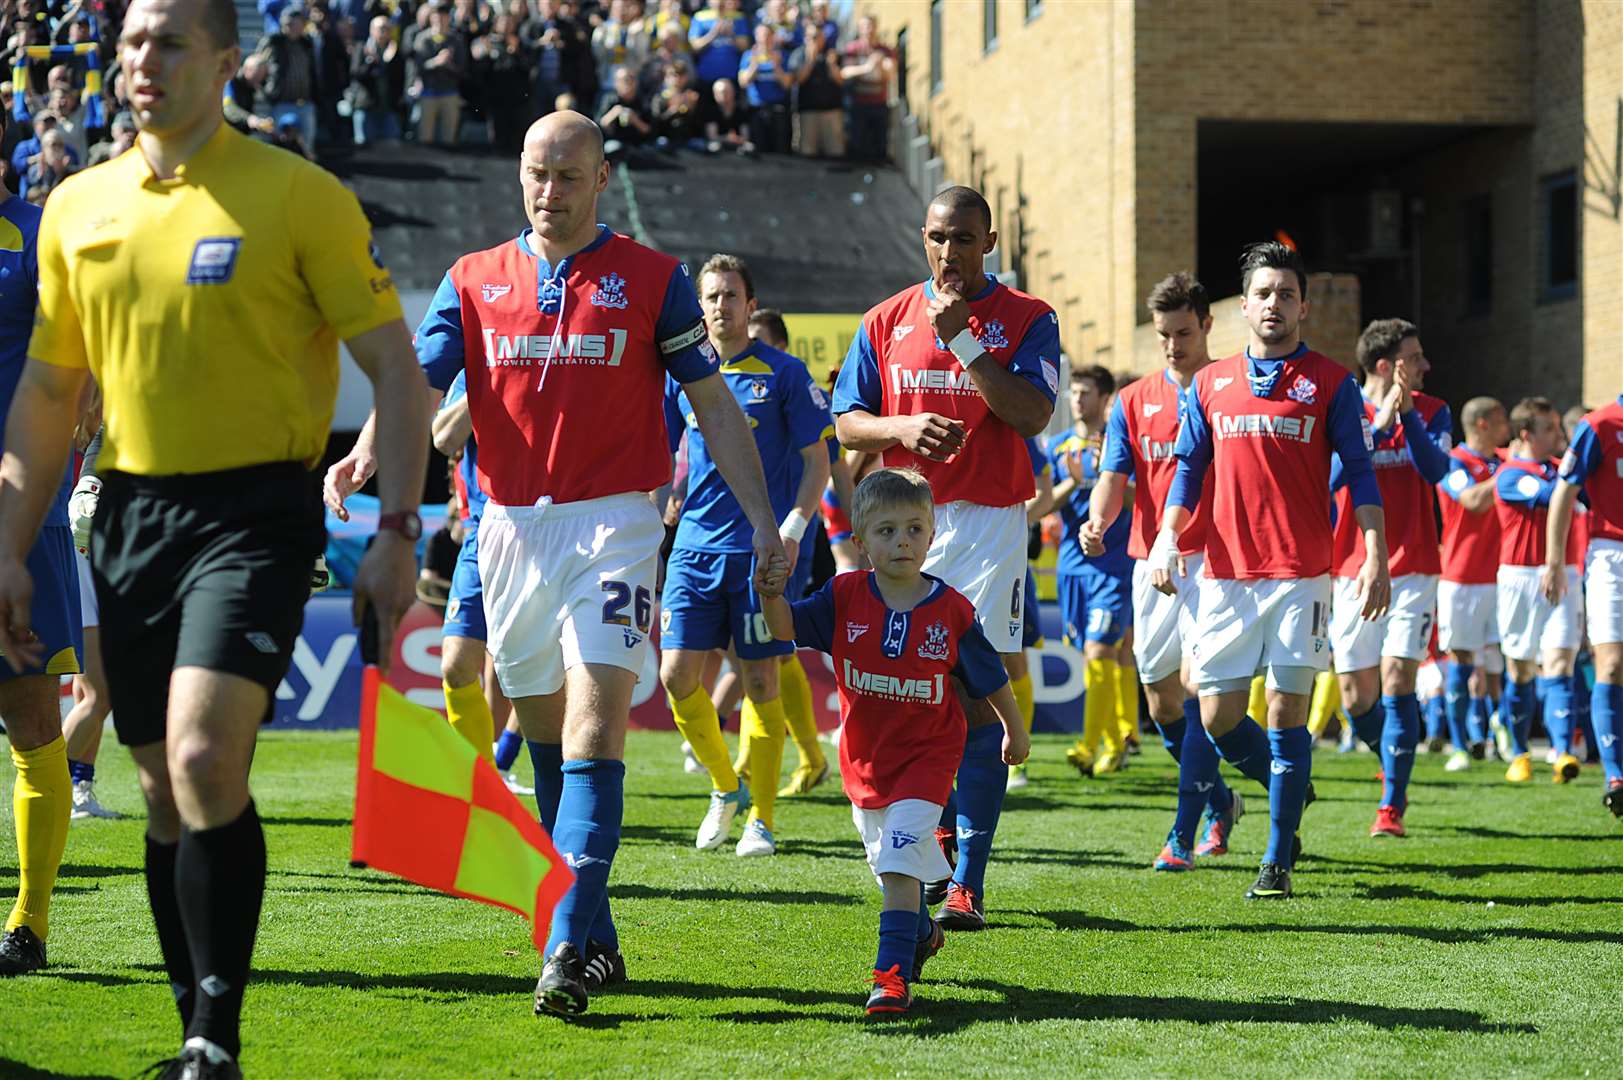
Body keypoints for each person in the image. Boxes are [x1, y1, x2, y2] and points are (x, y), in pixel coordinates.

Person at [0, 0, 431, 1069]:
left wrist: (399, 529)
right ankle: (192, 1024)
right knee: (156, 789)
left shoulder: (297, 195)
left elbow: (395, 368)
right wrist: (9, 543)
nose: (143, 59)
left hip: (256, 511)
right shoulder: (77, 207)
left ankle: (213, 1039)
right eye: (133, 40)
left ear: (228, 63)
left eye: (171, 41)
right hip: (131, 512)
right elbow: (50, 397)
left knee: (200, 757)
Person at [327, 111, 787, 1018]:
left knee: (592, 730)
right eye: (537, 174)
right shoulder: (471, 279)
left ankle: (566, 950)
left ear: (602, 178)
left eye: (568, 176)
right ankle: (596, 935)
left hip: (615, 524)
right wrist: (367, 453)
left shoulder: (652, 280)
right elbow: (417, 387)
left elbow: (714, 408)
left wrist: (764, 518)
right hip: (505, 529)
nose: (549, 192)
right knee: (545, 750)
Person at [834, 185, 1058, 932]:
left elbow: (1031, 414)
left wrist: (965, 343)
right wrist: (901, 424)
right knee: (908, 691)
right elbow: (847, 422)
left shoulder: (1028, 318)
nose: (948, 252)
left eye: (963, 238)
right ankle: (931, 839)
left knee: (971, 689)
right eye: (936, 237)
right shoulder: (884, 320)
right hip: (904, 526)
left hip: (989, 524)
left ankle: (967, 880)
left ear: (988, 241)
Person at [1153, 240, 1390, 901]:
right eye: (1262, 293)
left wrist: (1373, 555)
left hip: (1300, 574)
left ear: (1303, 308)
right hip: (1226, 574)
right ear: (1242, 306)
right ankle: (1291, 784)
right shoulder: (1208, 383)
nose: (1273, 304)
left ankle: (1276, 859)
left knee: (1287, 711)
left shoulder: (1332, 384)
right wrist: (1168, 538)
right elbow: (1188, 471)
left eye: (1285, 294)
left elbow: (1363, 477)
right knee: (1217, 716)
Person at [760, 466, 1028, 1016]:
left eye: (913, 529)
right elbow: (785, 627)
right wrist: (768, 590)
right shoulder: (842, 596)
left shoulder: (952, 609)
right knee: (890, 865)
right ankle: (923, 932)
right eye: (886, 531)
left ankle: (891, 978)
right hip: (865, 765)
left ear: (932, 537)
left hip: (928, 761)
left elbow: (990, 675)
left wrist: (1014, 728)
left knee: (899, 871)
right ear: (860, 542)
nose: (901, 541)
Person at [659, 254, 830, 855]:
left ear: (750, 305)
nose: (720, 306)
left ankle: (761, 817)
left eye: (731, 295)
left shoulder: (783, 374)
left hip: (758, 551)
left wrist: (793, 526)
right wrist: (659, 506)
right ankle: (724, 787)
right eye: (710, 296)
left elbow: (818, 460)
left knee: (761, 677)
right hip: (693, 549)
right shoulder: (681, 376)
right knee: (675, 675)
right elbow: (663, 453)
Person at [1083, 271, 1240, 871]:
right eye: (1162, 335)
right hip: (1152, 560)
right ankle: (1221, 799)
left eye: (1182, 332)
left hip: (1218, 562)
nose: (1173, 345)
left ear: (1206, 325)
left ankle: (1182, 833)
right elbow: (1113, 477)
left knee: (1201, 695)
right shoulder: (1131, 400)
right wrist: (1097, 522)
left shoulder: (1232, 387)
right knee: (1161, 704)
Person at [0, 108, 81, 979]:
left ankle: (29, 922)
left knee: (29, 713)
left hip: (17, 517)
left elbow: (76, 365)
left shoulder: (34, 234)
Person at [1327, 319, 1451, 838]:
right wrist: (1375, 426)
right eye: (1415, 357)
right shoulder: (1342, 406)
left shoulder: (1433, 410)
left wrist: (1406, 418)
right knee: (1356, 697)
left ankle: (1391, 805)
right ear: (1387, 365)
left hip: (1415, 567)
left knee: (1400, 676)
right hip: (1352, 568)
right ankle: (1392, 755)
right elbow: (1331, 478)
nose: (1425, 365)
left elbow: (1434, 469)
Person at [747, 305, 846, 794]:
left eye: (761, 341)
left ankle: (792, 757)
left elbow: (835, 466)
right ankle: (794, 754)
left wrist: (851, 524)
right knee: (755, 652)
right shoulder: (734, 388)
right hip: (735, 534)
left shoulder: (796, 390)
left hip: (790, 533)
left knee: (770, 650)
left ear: (780, 347)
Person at [1049, 363, 1135, 777]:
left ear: (1104, 399)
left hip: (1115, 566)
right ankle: (1119, 741)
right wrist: (1072, 484)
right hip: (1071, 567)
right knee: (1094, 654)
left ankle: (1089, 746)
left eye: (1086, 393)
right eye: (1073, 392)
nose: (1078, 400)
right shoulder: (1058, 447)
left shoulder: (1120, 445)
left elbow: (1142, 499)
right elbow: (1038, 504)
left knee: (1103, 650)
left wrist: (1109, 479)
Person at [1493, 397, 1583, 785]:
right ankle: (1519, 751)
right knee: (1521, 667)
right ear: (1527, 433)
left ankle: (1562, 753)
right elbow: (1550, 495)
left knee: (1561, 661)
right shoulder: (1511, 474)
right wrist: (1574, 471)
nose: (1559, 435)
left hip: (1564, 573)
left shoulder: (1559, 470)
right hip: (1519, 577)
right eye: (1550, 429)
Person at [1545, 393, 1623, 815]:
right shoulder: (1599, 425)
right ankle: (1616, 776)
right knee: (1609, 664)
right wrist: (1554, 562)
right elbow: (1563, 492)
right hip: (1611, 556)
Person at [1436, 396, 1511, 767]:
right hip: (1462, 577)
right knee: (1462, 659)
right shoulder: (1454, 462)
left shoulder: (1503, 461)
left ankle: (1504, 740)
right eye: (1501, 419)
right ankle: (1461, 745)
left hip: (1503, 573)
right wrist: (1510, 471)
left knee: (1502, 660)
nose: (1507, 426)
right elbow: (1472, 500)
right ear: (1482, 423)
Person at [839, 14, 892, 163]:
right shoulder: (852, 49)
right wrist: (867, 67)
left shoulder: (884, 50)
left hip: (879, 103)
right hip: (858, 103)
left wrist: (881, 65)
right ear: (859, 29)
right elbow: (845, 72)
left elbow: (890, 74)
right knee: (857, 145)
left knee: (879, 146)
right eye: (864, 26)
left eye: (871, 26)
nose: (868, 30)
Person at [412, 3, 466, 146]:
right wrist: (436, 62)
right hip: (428, 93)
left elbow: (462, 69)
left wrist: (448, 64)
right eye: (436, 17)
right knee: (425, 138)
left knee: (449, 138)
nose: (440, 20)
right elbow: (418, 67)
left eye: (443, 17)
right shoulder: (422, 38)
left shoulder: (456, 39)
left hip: (450, 93)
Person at [348, 13, 404, 145]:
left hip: (388, 107)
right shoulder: (361, 48)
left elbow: (400, 77)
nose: (384, 32)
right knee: (365, 148)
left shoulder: (394, 50)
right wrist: (370, 62)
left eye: (387, 29)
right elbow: (355, 74)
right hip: (366, 107)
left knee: (392, 145)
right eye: (381, 28)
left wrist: (387, 61)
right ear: (372, 30)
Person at [790, 18, 842, 159]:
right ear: (805, 38)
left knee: (835, 153)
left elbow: (840, 80)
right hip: (808, 112)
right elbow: (799, 80)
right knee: (808, 154)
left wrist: (832, 65)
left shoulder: (832, 54)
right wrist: (810, 60)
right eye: (812, 37)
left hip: (832, 111)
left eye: (819, 36)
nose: (815, 40)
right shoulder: (798, 55)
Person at [738, 22, 790, 153]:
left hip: (778, 109)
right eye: (760, 35)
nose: (764, 39)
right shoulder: (748, 56)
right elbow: (743, 82)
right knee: (760, 149)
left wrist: (776, 65)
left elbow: (787, 84)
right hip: (757, 109)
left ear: (773, 37)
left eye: (767, 35)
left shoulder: (782, 56)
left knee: (780, 149)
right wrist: (754, 65)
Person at [703, 75, 750, 154]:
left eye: (726, 92)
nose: (723, 95)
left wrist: (736, 139)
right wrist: (727, 138)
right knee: (713, 147)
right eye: (720, 92)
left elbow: (746, 136)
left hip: (738, 145)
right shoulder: (711, 112)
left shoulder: (740, 111)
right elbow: (712, 137)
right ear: (714, 95)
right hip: (719, 145)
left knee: (749, 148)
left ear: (733, 92)